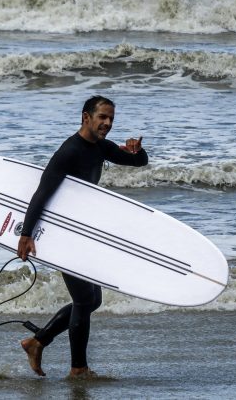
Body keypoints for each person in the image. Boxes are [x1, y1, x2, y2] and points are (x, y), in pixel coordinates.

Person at [17, 95, 148, 378]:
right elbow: (42, 192)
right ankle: (78, 369)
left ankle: (37, 342)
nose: (108, 123)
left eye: (111, 118)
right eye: (102, 117)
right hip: (63, 232)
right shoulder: (69, 151)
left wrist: (138, 151)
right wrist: (26, 234)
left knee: (92, 300)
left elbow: (138, 163)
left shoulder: (101, 147)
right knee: (83, 300)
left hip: (82, 232)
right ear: (85, 117)